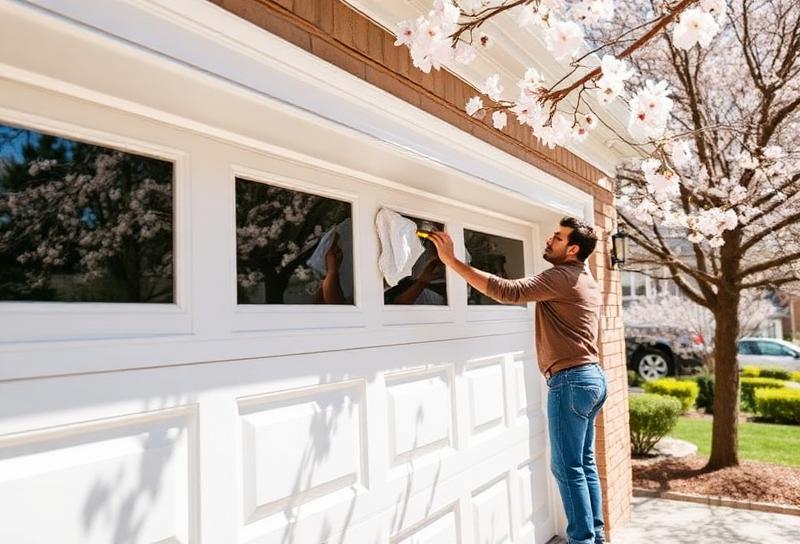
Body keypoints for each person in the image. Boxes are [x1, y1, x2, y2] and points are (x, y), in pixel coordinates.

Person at [427, 217, 607, 544]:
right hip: (591, 378)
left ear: (573, 249)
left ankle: (583, 540)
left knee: (567, 469)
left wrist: (451, 261)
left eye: (558, 237)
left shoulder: (563, 276)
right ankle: (596, 537)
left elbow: (507, 291)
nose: (550, 239)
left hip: (572, 381)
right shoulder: (584, 277)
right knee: (583, 465)